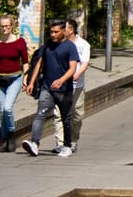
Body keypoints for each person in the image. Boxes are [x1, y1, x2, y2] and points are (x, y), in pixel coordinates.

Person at [20, 20, 80, 157]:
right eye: (51, 32)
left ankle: (67, 145)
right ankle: (34, 143)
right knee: (40, 114)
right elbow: (39, 63)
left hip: (65, 89)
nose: (52, 35)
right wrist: (31, 82)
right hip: (47, 88)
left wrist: (61, 80)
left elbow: (72, 69)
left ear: (63, 31)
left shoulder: (70, 47)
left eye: (56, 32)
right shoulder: (47, 45)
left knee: (66, 118)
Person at [0, 15, 30, 152]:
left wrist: (25, 79)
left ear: (12, 26)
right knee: (1, 111)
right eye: (2, 26)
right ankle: (4, 139)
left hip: (14, 78)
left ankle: (11, 135)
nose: (4, 28)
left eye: (7, 26)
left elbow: (25, 62)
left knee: (7, 108)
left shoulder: (19, 42)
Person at [52, 16, 91, 155]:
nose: (62, 30)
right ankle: (61, 143)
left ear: (72, 30)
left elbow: (85, 63)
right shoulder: (58, 44)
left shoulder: (83, 45)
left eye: (65, 28)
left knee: (77, 114)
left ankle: (73, 140)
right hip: (61, 85)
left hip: (77, 85)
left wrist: (77, 73)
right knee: (58, 114)